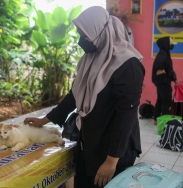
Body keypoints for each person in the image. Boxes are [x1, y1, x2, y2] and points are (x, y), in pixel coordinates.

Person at [24, 6, 144, 188]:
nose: (82, 40)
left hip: (115, 148)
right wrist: (44, 120)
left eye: (85, 35)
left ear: (101, 32)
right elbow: (74, 95)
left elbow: (125, 116)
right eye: (80, 34)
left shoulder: (128, 65)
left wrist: (111, 161)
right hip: (91, 141)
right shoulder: (91, 59)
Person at [152, 36, 178, 125]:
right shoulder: (163, 54)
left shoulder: (164, 53)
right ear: (166, 45)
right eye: (170, 44)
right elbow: (159, 69)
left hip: (162, 82)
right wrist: (162, 71)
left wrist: (175, 79)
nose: (171, 46)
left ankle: (156, 119)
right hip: (163, 82)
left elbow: (169, 69)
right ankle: (164, 122)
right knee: (166, 101)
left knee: (160, 100)